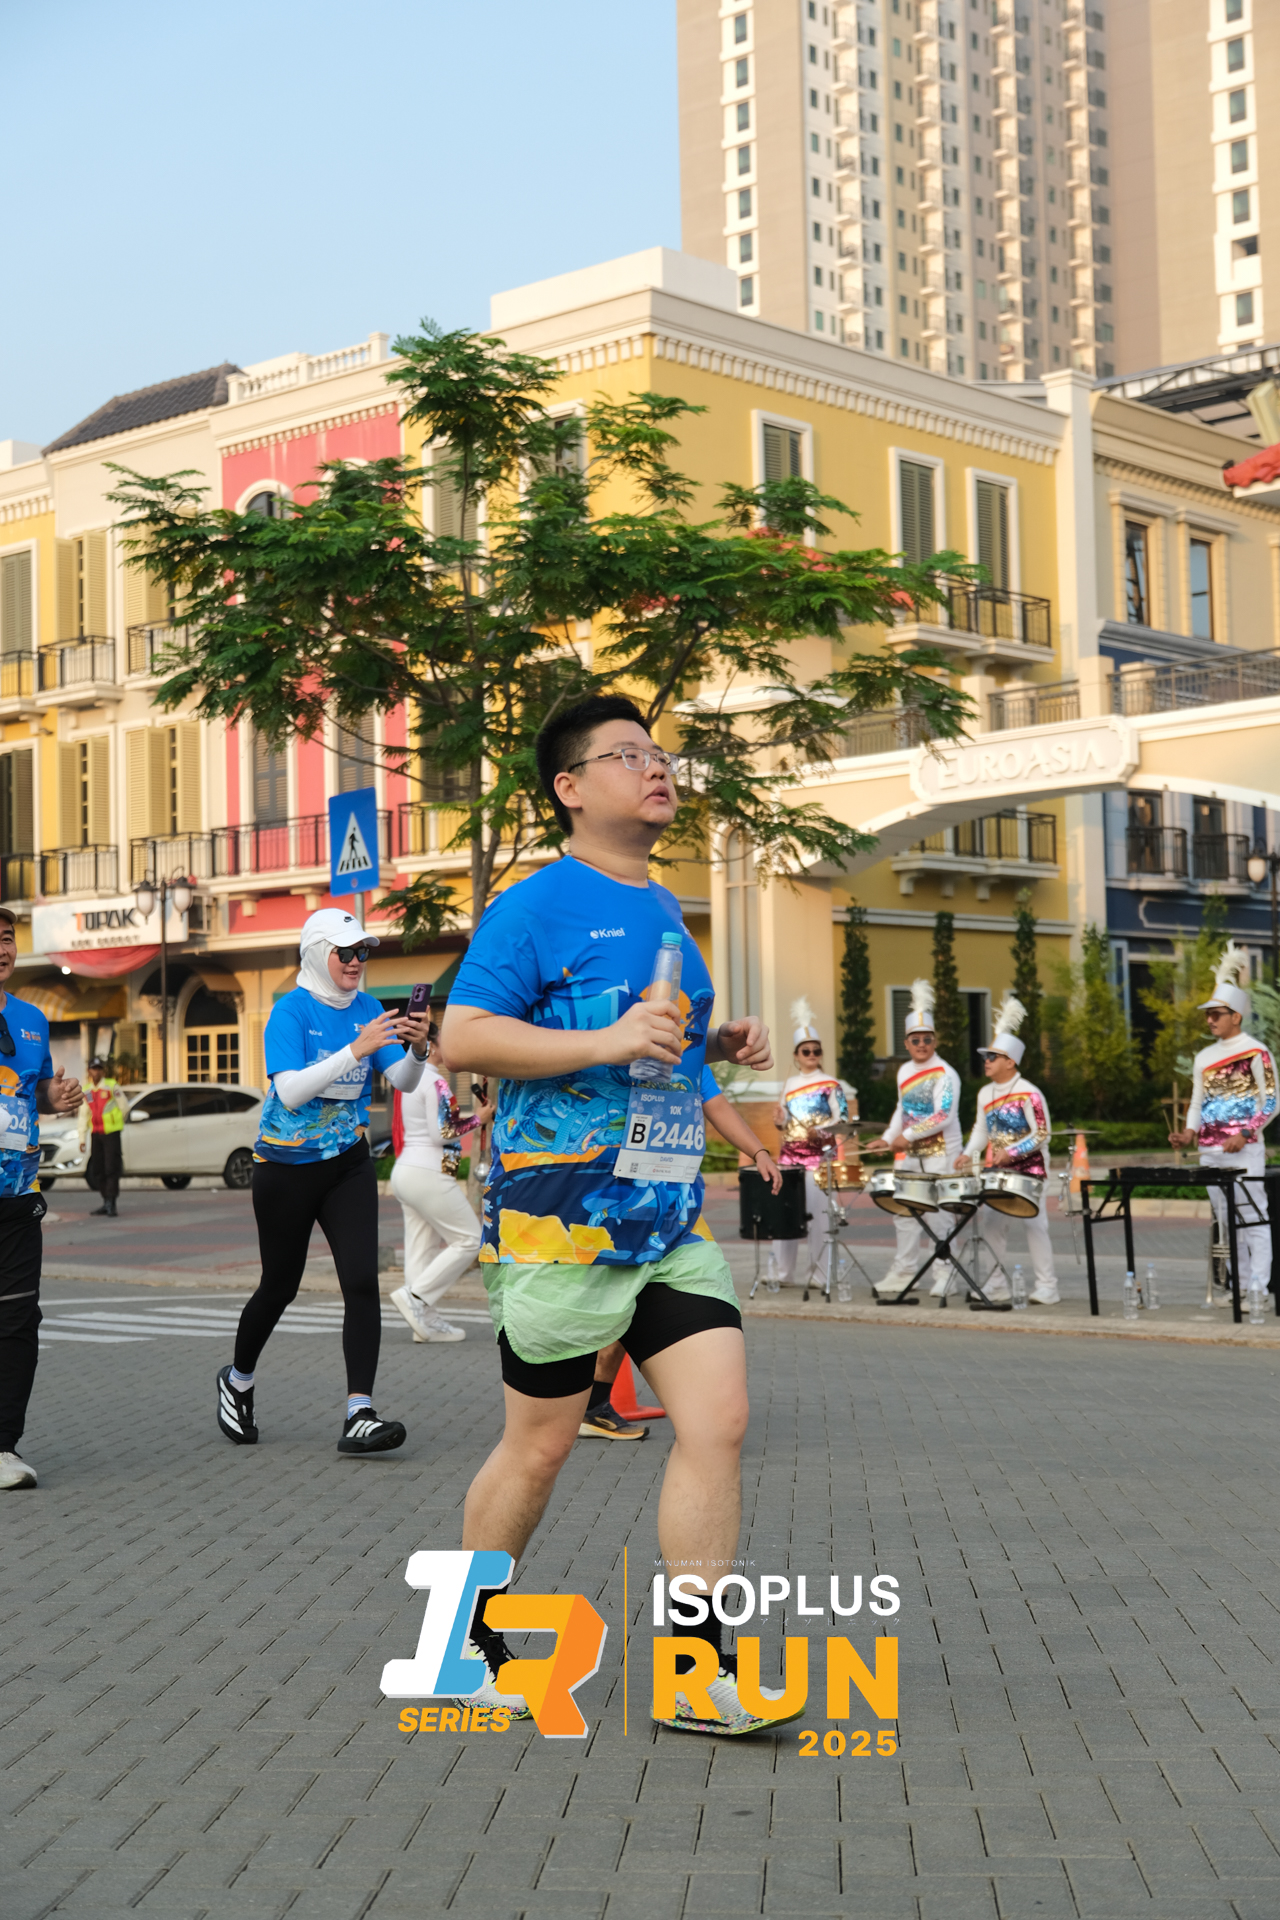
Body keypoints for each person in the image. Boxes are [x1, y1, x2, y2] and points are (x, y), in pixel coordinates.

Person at [440, 693, 797, 1737]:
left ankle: (694, 1673)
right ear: (569, 787)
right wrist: (607, 1041)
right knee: (538, 1449)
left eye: (659, 753)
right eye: (627, 755)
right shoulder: (534, 906)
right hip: (560, 1225)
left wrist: (715, 1050)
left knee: (717, 1423)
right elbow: (464, 1035)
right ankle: (464, 1640)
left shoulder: (664, 909)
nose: (656, 768)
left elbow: (659, 1051)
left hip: (665, 1221)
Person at [215, 908, 432, 1455]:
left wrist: (418, 1048)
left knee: (360, 1282)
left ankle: (360, 1413)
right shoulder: (289, 1011)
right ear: (316, 954)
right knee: (279, 1287)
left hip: (347, 1164)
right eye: (346, 952)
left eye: (363, 952)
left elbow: (404, 1080)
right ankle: (238, 1379)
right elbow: (289, 1091)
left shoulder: (368, 1009)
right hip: (286, 1167)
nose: (357, 962)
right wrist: (355, 1050)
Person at [577, 1074, 780, 1441]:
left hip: (675, 1208)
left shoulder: (692, 1054)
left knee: (644, 1302)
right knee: (618, 1303)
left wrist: (758, 1152)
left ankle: (599, 1405)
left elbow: (715, 1103)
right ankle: (583, 1404)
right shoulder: (620, 1050)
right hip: (619, 1195)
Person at [0, 906, 83, 1489]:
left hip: (17, 1193)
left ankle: (3, 1446)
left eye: (7, 939)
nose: (2, 949)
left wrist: (59, 1094)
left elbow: (37, 1092)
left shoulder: (31, 1019)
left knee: (18, 1318)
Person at [1169, 942, 1277, 1304]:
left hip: (1245, 1150)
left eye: (1216, 1014)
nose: (1210, 1020)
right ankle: (1239, 1285)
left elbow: (1273, 1101)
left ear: (1236, 1016)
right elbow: (1198, 1101)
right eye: (1208, 1014)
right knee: (1227, 1221)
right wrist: (1189, 1132)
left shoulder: (1257, 1051)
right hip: (1210, 1151)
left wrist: (1246, 1133)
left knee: (1253, 1217)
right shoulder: (1204, 1057)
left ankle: (1259, 1288)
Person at [389, 1022, 495, 1344]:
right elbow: (442, 1133)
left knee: (420, 1248)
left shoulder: (410, 1079)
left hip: (407, 1171)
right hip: (429, 1172)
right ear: (432, 1046)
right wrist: (478, 1119)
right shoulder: (435, 1081)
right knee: (470, 1239)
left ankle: (425, 1321)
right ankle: (416, 1297)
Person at [954, 993, 1061, 1306]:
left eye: (992, 1057)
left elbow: (1042, 1133)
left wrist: (1012, 1152)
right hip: (998, 1173)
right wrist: (968, 1153)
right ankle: (995, 1285)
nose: (986, 1061)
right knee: (992, 1225)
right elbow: (981, 1130)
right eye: (986, 1057)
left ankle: (1047, 1287)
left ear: (1010, 1062)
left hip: (1031, 1171)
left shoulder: (1030, 1092)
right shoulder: (984, 1093)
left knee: (1035, 1225)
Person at [867, 979, 962, 1299]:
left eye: (927, 1039)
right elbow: (903, 1108)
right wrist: (887, 1138)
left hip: (941, 1154)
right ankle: (904, 1271)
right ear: (906, 1043)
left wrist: (905, 1136)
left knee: (940, 1216)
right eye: (916, 1039)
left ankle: (946, 1274)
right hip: (911, 1155)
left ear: (935, 1041)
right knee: (904, 1213)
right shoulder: (904, 1071)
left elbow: (944, 1115)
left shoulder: (946, 1073)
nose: (922, 1044)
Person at [766, 997, 855, 1287]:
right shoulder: (789, 1085)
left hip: (820, 1160)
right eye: (806, 1051)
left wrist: (824, 1131)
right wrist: (779, 1119)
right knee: (785, 1216)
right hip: (789, 1160)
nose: (812, 1054)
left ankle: (819, 1275)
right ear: (797, 1054)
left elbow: (843, 1119)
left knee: (819, 1219)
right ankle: (781, 1273)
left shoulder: (831, 1084)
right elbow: (784, 1123)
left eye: (816, 1050)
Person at [78, 1056, 126, 1217]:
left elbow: (124, 1107)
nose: (96, 1072)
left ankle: (112, 1202)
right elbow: (83, 1115)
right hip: (96, 1133)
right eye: (94, 1069)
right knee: (98, 1168)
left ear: (103, 1071)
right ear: (89, 1071)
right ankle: (105, 1200)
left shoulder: (111, 1086)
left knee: (111, 1167)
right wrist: (82, 1138)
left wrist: (116, 1123)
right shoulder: (87, 1091)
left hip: (111, 1133)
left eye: (99, 1069)